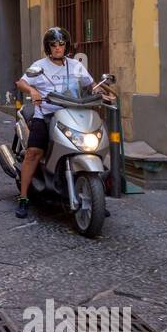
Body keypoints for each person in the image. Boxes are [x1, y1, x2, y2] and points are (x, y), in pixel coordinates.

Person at [14, 27, 114, 220]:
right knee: (34, 152)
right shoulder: (39, 66)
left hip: (74, 113)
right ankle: (24, 197)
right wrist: (32, 91)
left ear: (66, 46)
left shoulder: (76, 66)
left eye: (61, 44)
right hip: (46, 115)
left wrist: (102, 93)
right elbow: (21, 82)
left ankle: (95, 198)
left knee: (93, 146)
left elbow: (90, 84)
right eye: (54, 45)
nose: (58, 48)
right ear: (48, 47)